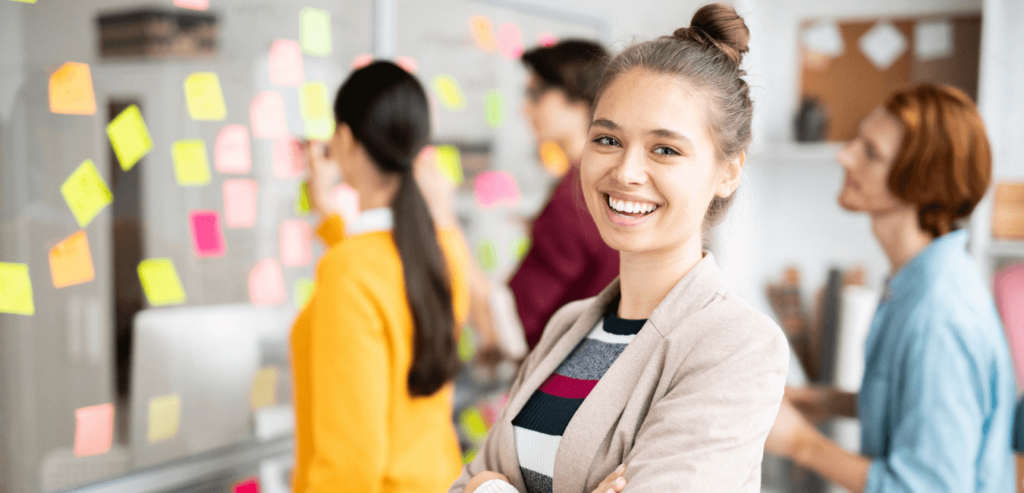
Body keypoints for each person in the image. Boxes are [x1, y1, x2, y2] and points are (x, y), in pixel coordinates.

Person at [449, 5, 789, 492]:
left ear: (728, 171)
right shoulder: (570, 325)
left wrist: (492, 486)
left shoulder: (736, 345)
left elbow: (480, 481)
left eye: (665, 149)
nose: (626, 171)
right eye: (607, 139)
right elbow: (462, 482)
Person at [765, 84, 1016, 492]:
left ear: (919, 186)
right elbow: (918, 406)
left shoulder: (938, 315)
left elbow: (927, 487)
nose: (844, 155)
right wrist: (828, 402)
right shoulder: (919, 281)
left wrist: (800, 443)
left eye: (870, 152)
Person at [290, 61, 472, 492]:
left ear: (347, 140)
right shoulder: (444, 252)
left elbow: (350, 465)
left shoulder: (351, 272)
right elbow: (389, 289)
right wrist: (329, 222)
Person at [469, 40, 617, 354]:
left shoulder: (574, 197)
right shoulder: (611, 184)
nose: (526, 107)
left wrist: (444, 234)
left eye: (537, 94)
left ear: (579, 101)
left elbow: (513, 329)